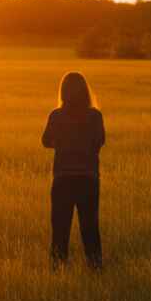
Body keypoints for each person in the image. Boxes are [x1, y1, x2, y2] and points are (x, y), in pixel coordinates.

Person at [42, 72, 105, 271]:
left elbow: (46, 141)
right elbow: (100, 141)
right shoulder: (95, 116)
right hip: (88, 180)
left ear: (63, 91)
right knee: (90, 230)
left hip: (63, 181)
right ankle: (96, 273)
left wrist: (64, 144)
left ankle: (57, 273)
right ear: (85, 91)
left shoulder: (57, 116)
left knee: (60, 231)